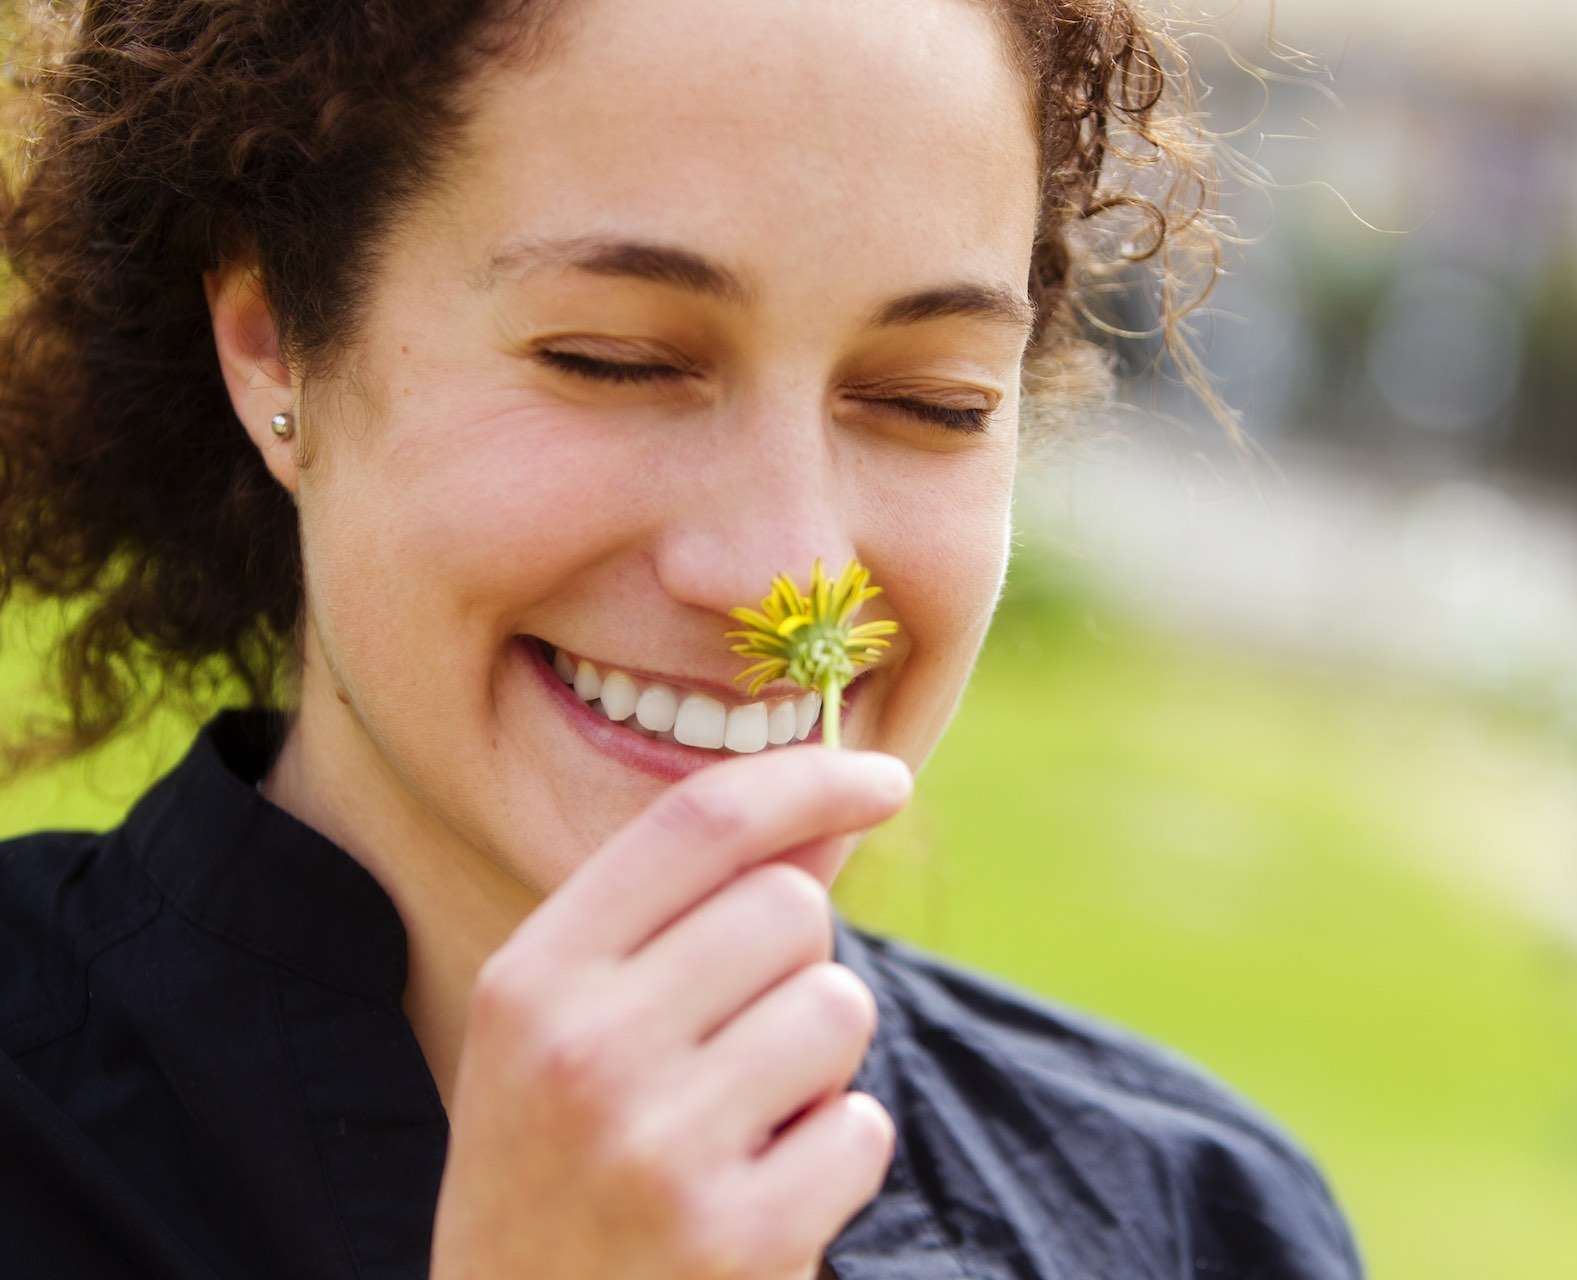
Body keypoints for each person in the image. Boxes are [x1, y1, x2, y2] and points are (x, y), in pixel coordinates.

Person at [0, 1, 1367, 1277]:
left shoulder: (1202, 1221)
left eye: (930, 400)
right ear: (274, 345)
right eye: (617, 362)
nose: (789, 570)